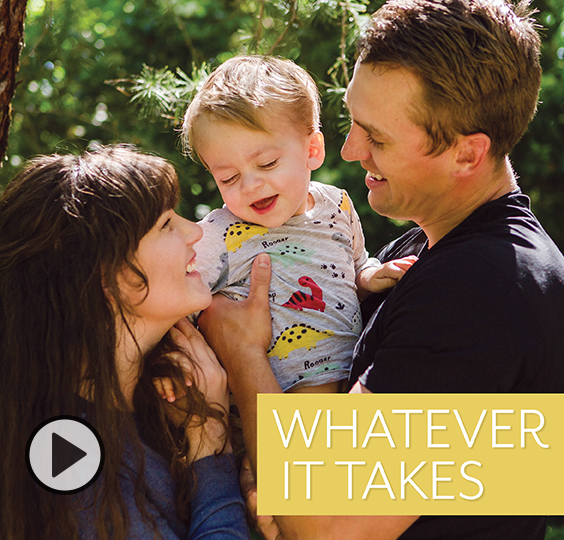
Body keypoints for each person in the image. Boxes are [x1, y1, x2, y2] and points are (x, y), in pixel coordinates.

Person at [196, 0, 564, 539]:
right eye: (351, 120)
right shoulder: (440, 252)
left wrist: (243, 355)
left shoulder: (480, 290)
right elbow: (515, 472)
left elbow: (324, 524)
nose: (349, 148)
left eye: (378, 137)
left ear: (467, 154)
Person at [0, 145, 250, 540]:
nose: (195, 230)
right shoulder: (61, 453)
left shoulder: (171, 394)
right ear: (109, 277)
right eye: (167, 224)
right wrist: (210, 449)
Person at [182, 55, 415, 394]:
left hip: (353, 383)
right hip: (265, 404)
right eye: (228, 178)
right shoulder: (221, 235)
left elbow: (351, 270)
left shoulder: (338, 206)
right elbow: (176, 302)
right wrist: (177, 356)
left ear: (312, 150)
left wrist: (369, 277)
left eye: (267, 163)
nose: (249, 185)